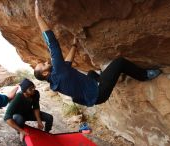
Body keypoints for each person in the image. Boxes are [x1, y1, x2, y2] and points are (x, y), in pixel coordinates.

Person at [33, 0, 162, 107]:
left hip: (91, 94)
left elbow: (67, 63)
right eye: (43, 65)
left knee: (91, 73)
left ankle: (105, 77)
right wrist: (39, 18)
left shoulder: (56, 79)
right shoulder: (58, 72)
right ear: (45, 73)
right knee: (120, 62)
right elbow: (52, 44)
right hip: (98, 93)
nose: (46, 62)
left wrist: (74, 45)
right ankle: (144, 76)